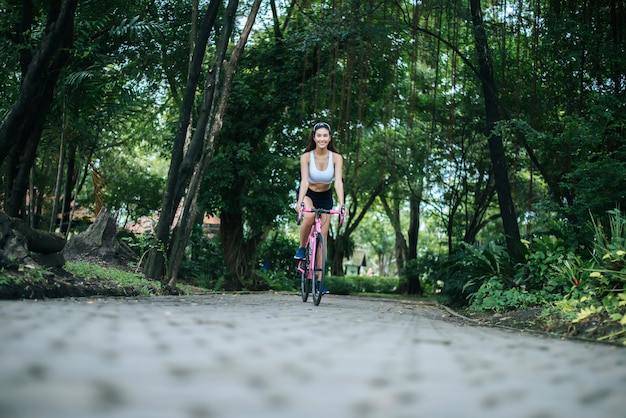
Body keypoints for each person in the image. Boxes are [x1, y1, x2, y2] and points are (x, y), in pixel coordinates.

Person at [294, 121, 345, 260]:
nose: (322, 139)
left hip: (325, 196)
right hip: (308, 194)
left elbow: (338, 182)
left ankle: (319, 279)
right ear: (314, 138)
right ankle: (302, 248)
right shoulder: (306, 157)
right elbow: (304, 181)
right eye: (319, 136)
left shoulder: (336, 158)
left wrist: (342, 204)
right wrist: (299, 203)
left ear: (329, 138)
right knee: (309, 216)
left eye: (325, 136)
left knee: (323, 235)